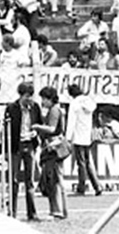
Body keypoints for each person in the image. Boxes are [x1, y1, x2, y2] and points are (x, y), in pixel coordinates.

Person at [6, 81, 42, 220]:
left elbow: (40, 123)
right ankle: (12, 211)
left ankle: (32, 213)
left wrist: (36, 133)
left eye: (31, 96)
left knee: (30, 180)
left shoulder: (35, 108)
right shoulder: (12, 108)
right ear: (21, 95)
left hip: (30, 144)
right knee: (13, 179)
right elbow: (7, 127)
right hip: (16, 145)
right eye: (27, 96)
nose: (30, 99)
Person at [34, 86, 68, 219]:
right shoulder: (58, 109)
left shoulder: (54, 110)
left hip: (53, 147)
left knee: (53, 179)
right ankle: (61, 210)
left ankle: (57, 210)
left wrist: (37, 127)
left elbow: (52, 128)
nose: (42, 101)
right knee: (57, 178)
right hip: (57, 146)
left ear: (49, 99)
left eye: (44, 98)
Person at [66, 83, 102, 196]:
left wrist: (68, 137)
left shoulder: (74, 104)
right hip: (87, 136)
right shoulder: (89, 102)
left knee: (80, 163)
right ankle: (97, 186)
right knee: (88, 162)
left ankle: (81, 187)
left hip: (78, 136)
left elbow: (71, 122)